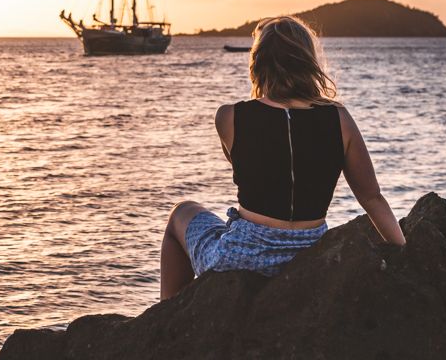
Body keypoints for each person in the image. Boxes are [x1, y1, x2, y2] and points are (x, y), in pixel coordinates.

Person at [160, 16, 406, 300]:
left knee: (181, 211)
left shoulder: (229, 117)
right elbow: (372, 197)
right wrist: (404, 252)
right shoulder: (340, 119)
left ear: (258, 63)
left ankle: (165, 315)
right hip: (310, 254)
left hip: (242, 257)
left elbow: (245, 168)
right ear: (308, 62)